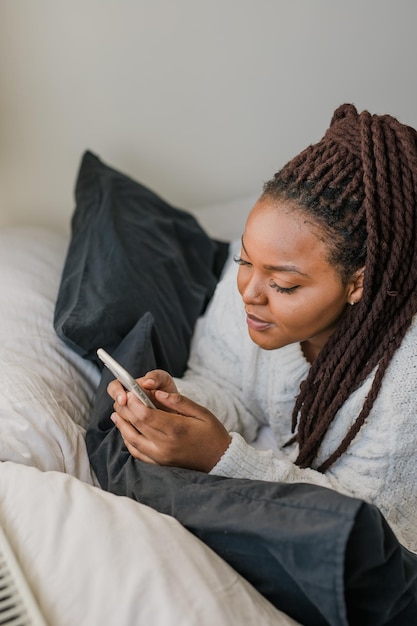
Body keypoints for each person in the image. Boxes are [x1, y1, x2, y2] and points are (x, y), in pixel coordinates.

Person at [87, 104, 417, 625]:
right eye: (244, 261)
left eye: (284, 285)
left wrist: (222, 456)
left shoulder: (405, 384)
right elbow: (227, 382)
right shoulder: (255, 272)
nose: (249, 294)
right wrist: (180, 404)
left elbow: (375, 536)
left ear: (359, 283)